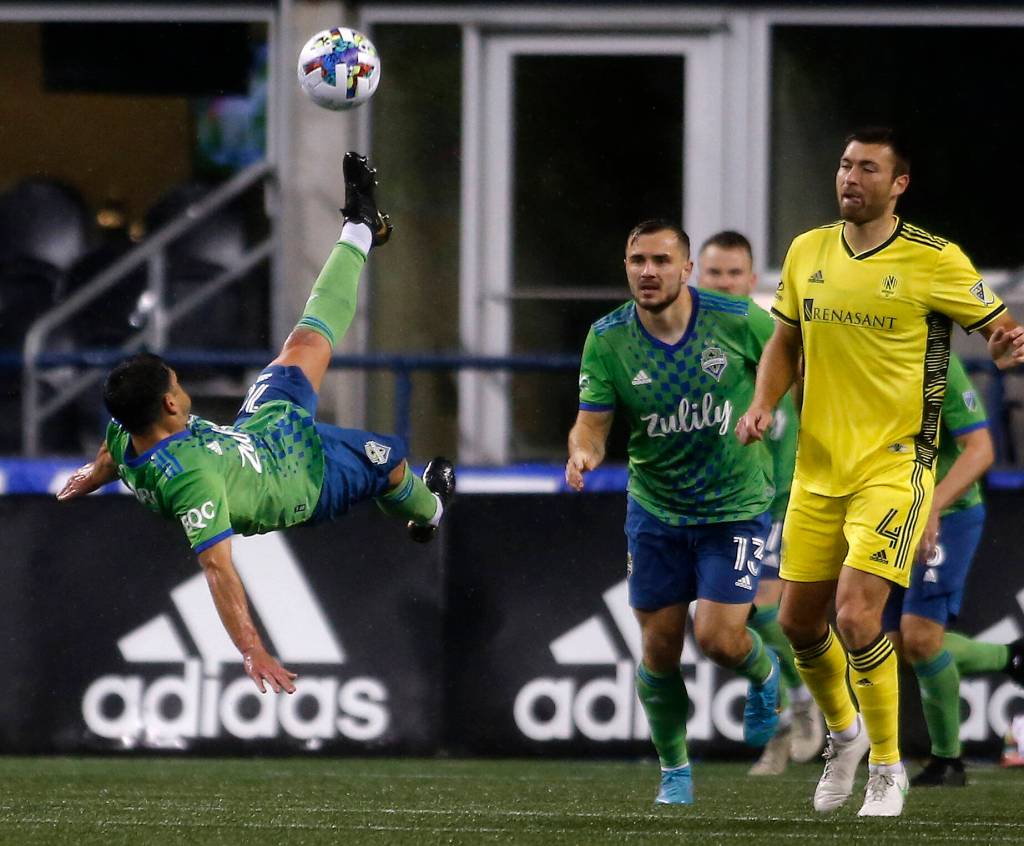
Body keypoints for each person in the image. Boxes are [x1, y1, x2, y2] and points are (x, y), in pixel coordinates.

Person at [57, 152, 456, 696]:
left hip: (259, 431)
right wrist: (253, 650)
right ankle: (429, 510)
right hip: (297, 479)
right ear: (170, 407)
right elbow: (219, 570)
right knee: (390, 466)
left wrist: (89, 476)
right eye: (176, 384)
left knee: (307, 340)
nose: (183, 388)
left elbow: (109, 456)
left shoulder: (126, 429)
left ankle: (360, 227)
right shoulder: (189, 480)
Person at [737, 126, 1024, 818]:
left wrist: (1009, 340)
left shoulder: (933, 258)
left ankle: (888, 767)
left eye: (867, 168)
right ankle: (844, 735)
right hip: (817, 468)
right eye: (843, 164)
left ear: (898, 185)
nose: (849, 177)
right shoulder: (808, 249)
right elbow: (784, 342)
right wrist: (762, 402)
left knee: (858, 615)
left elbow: (996, 325)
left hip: (897, 467)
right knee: (799, 623)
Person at [566, 219, 781, 806]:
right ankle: (675, 771)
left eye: (661, 260)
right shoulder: (607, 339)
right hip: (657, 511)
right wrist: (583, 453)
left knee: (717, 638)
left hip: (734, 506)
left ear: (686, 269)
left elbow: (793, 359)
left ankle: (764, 674)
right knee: (660, 650)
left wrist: (765, 405)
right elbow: (592, 422)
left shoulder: (737, 320)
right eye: (637, 260)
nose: (648, 271)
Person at [697, 230, 825, 776]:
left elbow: (796, 409)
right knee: (719, 629)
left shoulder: (767, 333)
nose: (724, 282)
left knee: (764, 609)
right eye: (715, 273)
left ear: (753, 281)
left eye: (734, 274)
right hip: (706, 500)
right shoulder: (682, 333)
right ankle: (784, 713)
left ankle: (802, 706)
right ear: (697, 276)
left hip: (770, 492)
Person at [883, 352, 1024, 787]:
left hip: (947, 512)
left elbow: (980, 450)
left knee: (922, 638)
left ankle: (949, 761)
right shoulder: (861, 354)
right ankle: (1012, 656)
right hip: (884, 514)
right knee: (894, 644)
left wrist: (933, 504)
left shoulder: (936, 365)